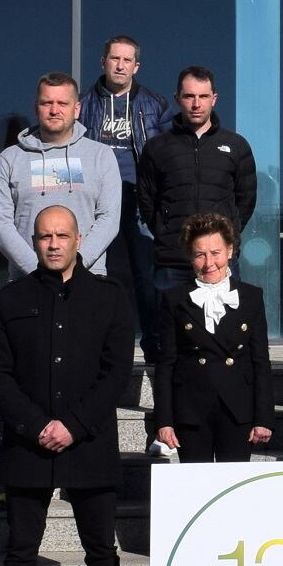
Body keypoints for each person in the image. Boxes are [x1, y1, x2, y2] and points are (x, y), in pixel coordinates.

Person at [0, 205, 134, 566]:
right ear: (34, 239)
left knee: (100, 551)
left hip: (89, 442)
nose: (52, 244)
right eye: (44, 236)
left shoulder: (110, 298)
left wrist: (73, 424)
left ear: (79, 238)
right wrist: (35, 424)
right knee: (21, 549)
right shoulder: (11, 299)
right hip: (28, 445)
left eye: (61, 235)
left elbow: (116, 374)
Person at [79, 35, 175, 451]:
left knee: (144, 275)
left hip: (140, 197)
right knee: (101, 274)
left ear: (137, 66)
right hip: (97, 196)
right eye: (114, 59)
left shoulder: (155, 105)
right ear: (103, 62)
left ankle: (152, 343)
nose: (119, 65)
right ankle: (100, 345)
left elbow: (167, 152)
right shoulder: (85, 102)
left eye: (127, 60)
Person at [152, 214, 275, 463]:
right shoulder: (175, 299)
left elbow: (261, 361)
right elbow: (166, 364)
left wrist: (263, 418)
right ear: (190, 257)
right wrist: (164, 420)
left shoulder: (251, 297)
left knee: (233, 491)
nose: (209, 263)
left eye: (216, 253)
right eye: (200, 255)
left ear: (230, 251)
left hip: (237, 409)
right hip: (191, 411)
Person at [137, 64, 257, 301]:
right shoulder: (157, 147)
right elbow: (147, 201)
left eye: (203, 96)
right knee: (169, 335)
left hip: (220, 262)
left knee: (224, 334)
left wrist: (226, 237)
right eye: (189, 96)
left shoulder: (236, 146)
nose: (196, 104)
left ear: (214, 99)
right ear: (177, 98)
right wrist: (166, 232)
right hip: (172, 261)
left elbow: (246, 200)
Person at [0, 71, 121, 279]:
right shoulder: (10, 159)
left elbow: (109, 219)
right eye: (46, 103)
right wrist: (38, 270)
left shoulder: (101, 156)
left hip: (87, 278)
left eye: (63, 103)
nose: (54, 110)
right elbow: (1, 226)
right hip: (27, 279)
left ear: (76, 109)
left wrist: (77, 265)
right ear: (36, 108)